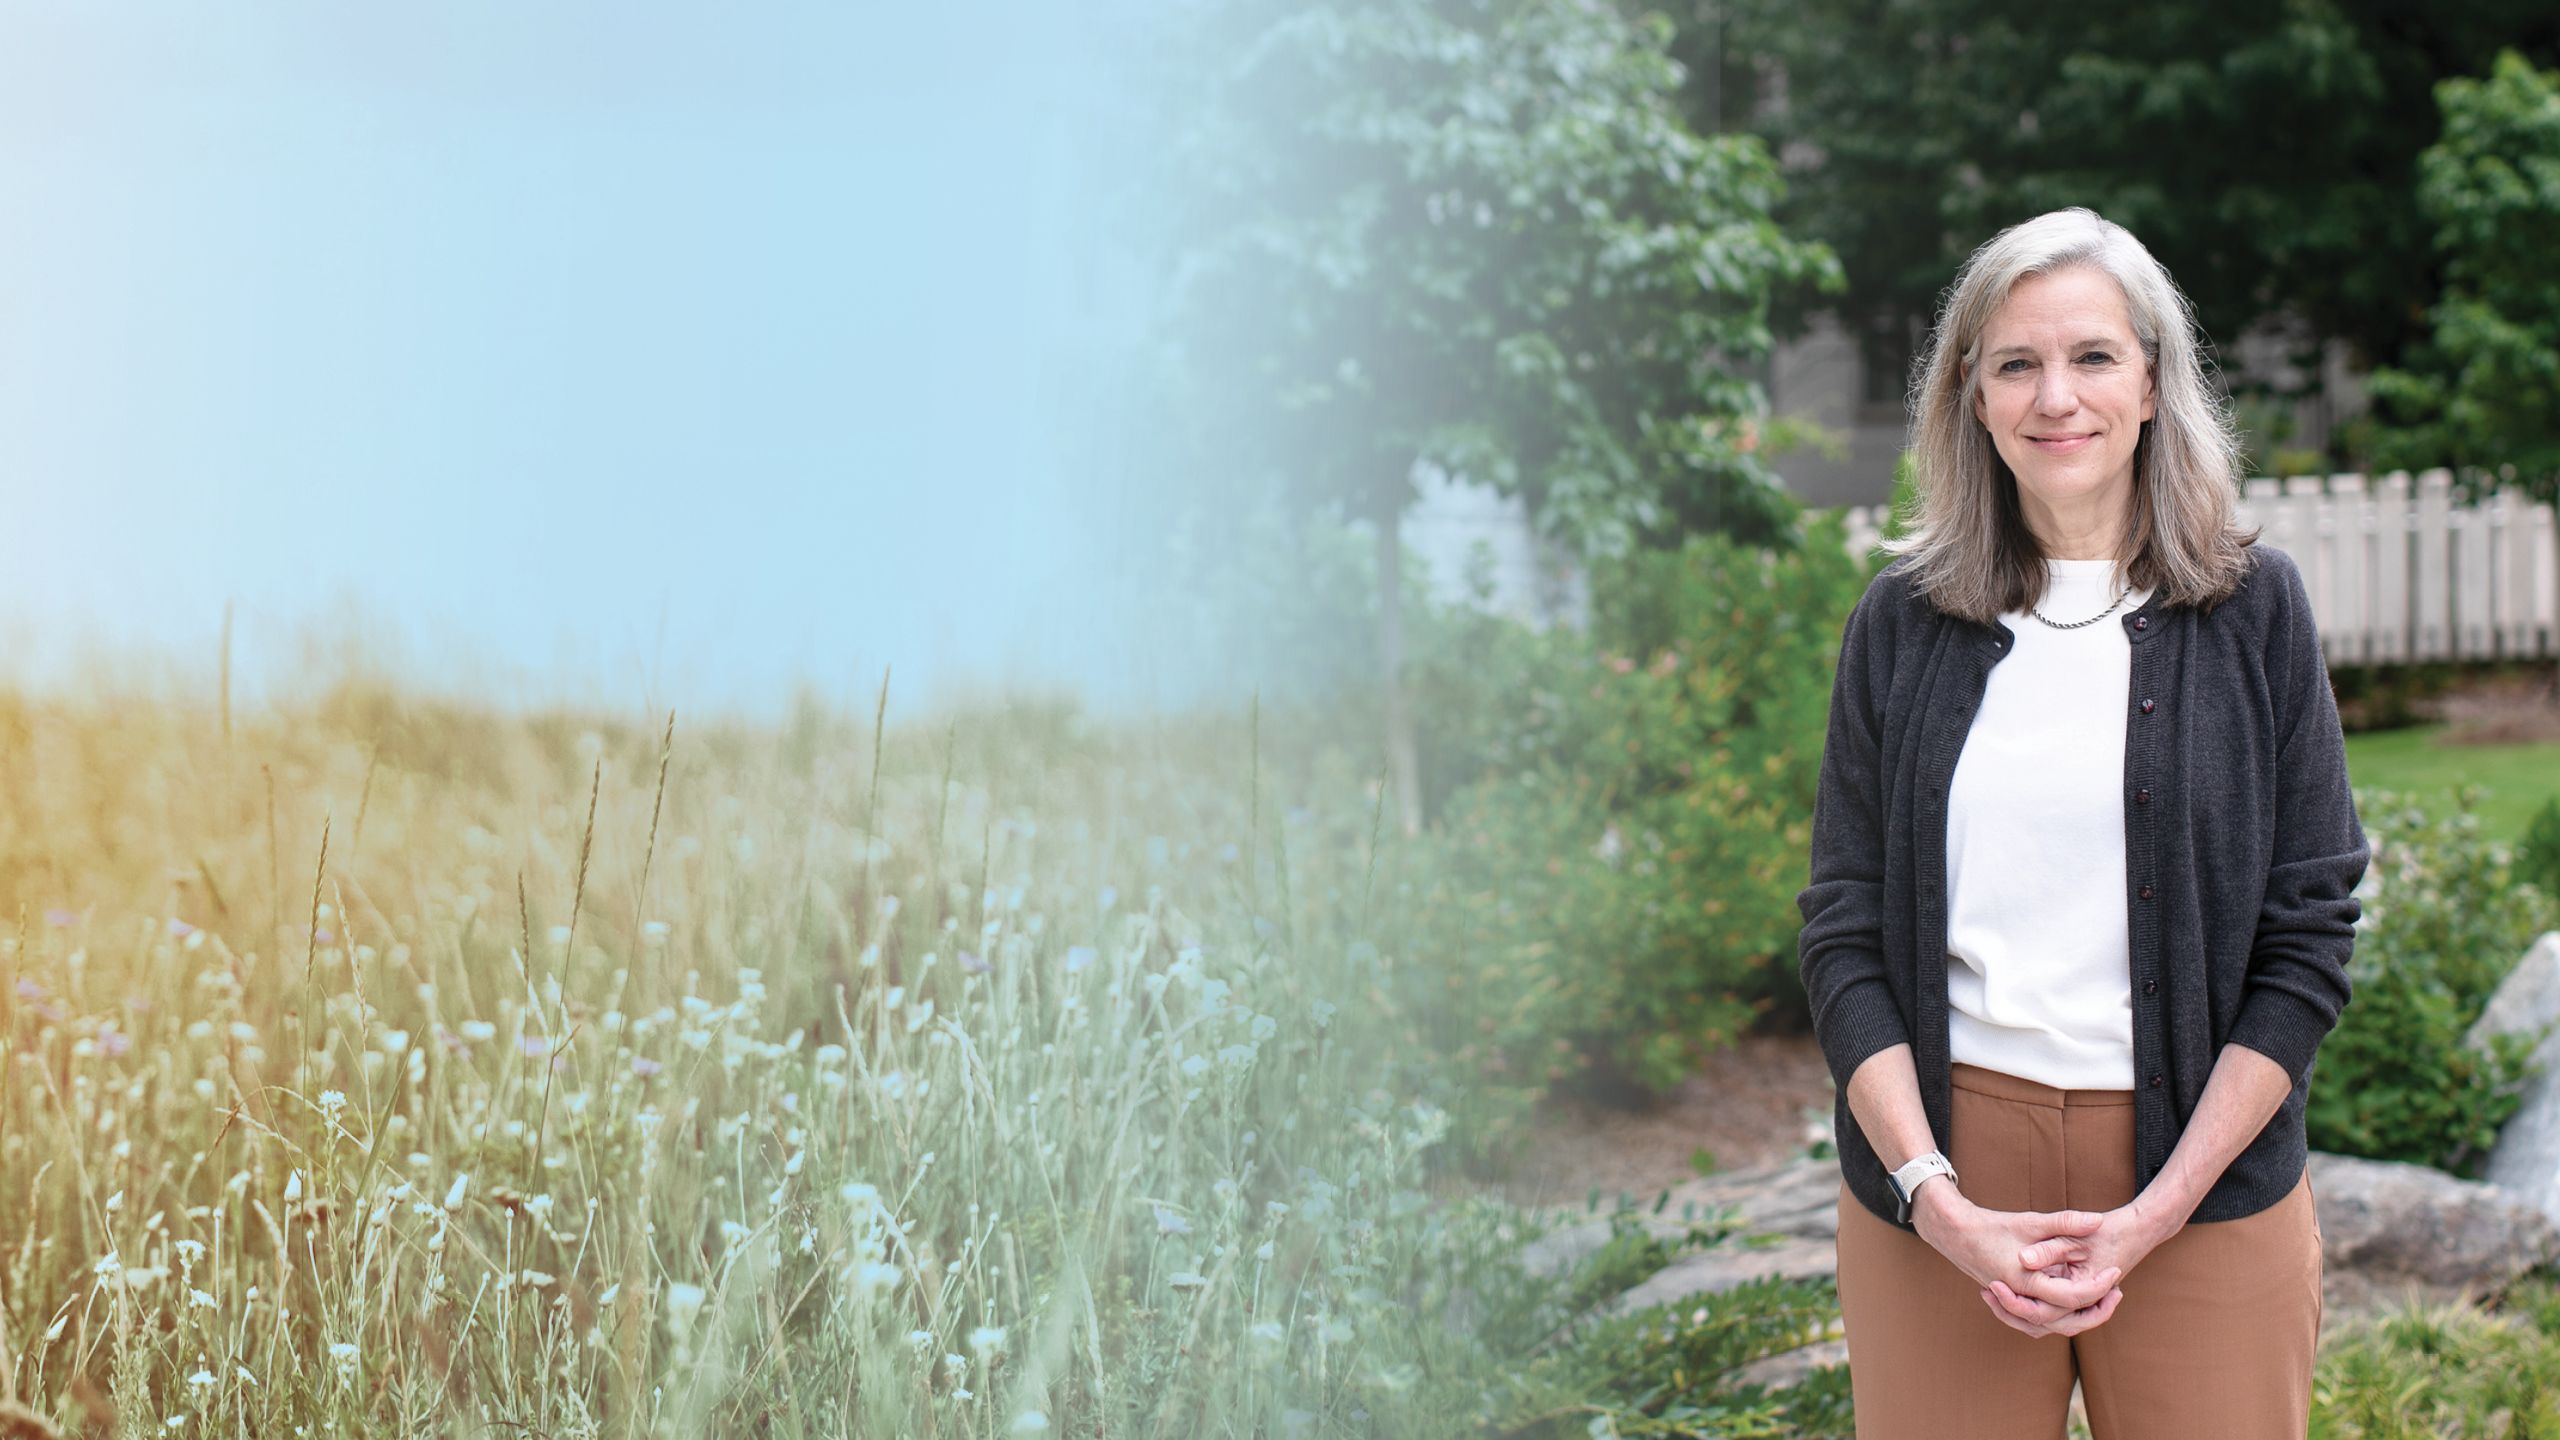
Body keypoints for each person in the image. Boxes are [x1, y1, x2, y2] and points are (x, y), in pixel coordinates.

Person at [1794, 206, 2369, 1438]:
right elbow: (1843, 930)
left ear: (2152, 383)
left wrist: (2159, 1206)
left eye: (2093, 356)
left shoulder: (2253, 609)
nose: (2057, 396)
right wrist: (1934, 1200)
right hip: (1941, 1172)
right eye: (2016, 363)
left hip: (2201, 1181)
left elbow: (2308, 934)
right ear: (1973, 396)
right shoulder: (1899, 623)